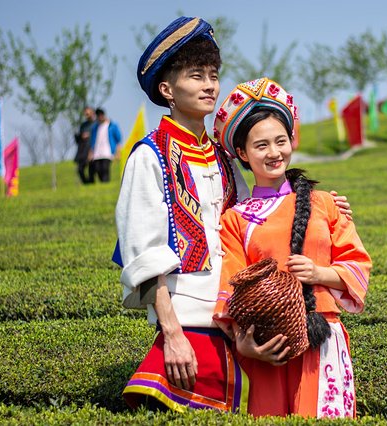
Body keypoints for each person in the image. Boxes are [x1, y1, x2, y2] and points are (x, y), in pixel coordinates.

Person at [114, 17, 351, 414]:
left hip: (239, 328)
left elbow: (257, 225)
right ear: (167, 89)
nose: (209, 85)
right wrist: (171, 332)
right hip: (188, 329)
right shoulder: (149, 156)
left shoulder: (224, 158)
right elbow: (145, 253)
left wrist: (321, 209)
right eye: (196, 76)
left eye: (213, 75)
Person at [213, 78, 372, 418]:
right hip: (266, 345)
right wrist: (245, 342)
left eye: (280, 141)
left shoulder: (324, 203)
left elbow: (357, 262)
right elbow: (232, 281)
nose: (274, 153)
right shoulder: (235, 219)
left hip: (321, 334)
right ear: (242, 153)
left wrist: (319, 273)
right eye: (261, 145)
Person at [88, 107, 121, 182]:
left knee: (105, 168)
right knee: (98, 169)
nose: (100, 117)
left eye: (101, 115)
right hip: (97, 152)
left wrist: (118, 152)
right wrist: (91, 152)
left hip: (107, 151)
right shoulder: (95, 127)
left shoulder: (112, 125)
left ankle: (106, 183)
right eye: (98, 115)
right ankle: (103, 183)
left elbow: (118, 139)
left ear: (103, 115)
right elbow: (92, 140)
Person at [74, 106, 95, 184]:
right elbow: (79, 140)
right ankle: (86, 184)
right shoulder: (83, 125)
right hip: (83, 150)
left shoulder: (96, 124)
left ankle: (91, 184)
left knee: (91, 170)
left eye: (88, 113)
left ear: (92, 113)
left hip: (93, 149)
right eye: (85, 113)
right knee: (80, 169)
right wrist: (80, 136)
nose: (86, 114)